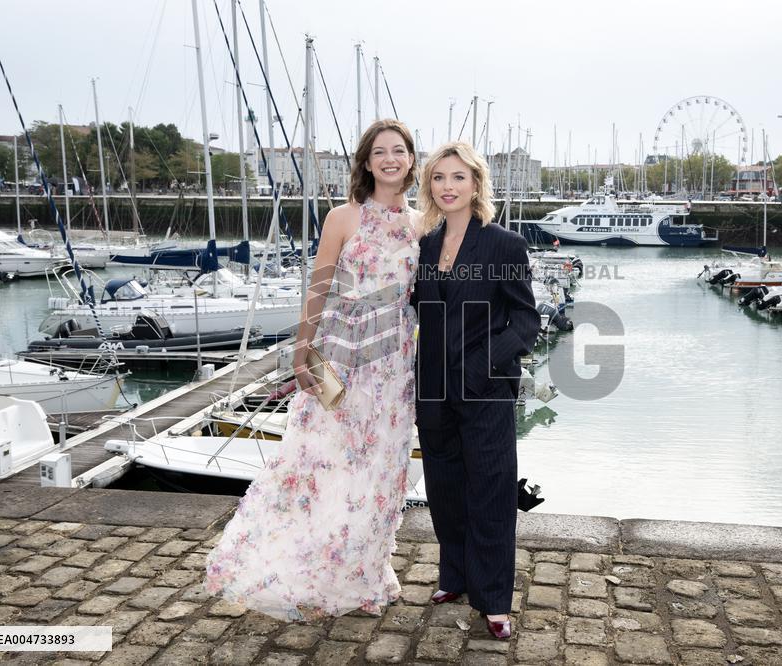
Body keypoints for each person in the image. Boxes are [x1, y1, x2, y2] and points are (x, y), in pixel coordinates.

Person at [205, 119, 421, 621]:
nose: (390, 159)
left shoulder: (421, 225)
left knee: (380, 469)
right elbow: (319, 288)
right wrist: (302, 353)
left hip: (395, 366)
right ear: (367, 163)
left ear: (411, 160)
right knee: (322, 461)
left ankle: (364, 572)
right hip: (340, 355)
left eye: (399, 150)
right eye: (380, 152)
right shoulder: (342, 217)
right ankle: (315, 570)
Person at [413, 142, 540, 639]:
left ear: (476, 183)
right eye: (439, 177)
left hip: (485, 390)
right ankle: (456, 575)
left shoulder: (504, 244)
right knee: (444, 489)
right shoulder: (425, 245)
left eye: (458, 177)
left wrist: (482, 365)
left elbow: (526, 319)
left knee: (490, 492)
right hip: (432, 389)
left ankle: (493, 601)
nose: (448, 186)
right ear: (429, 186)